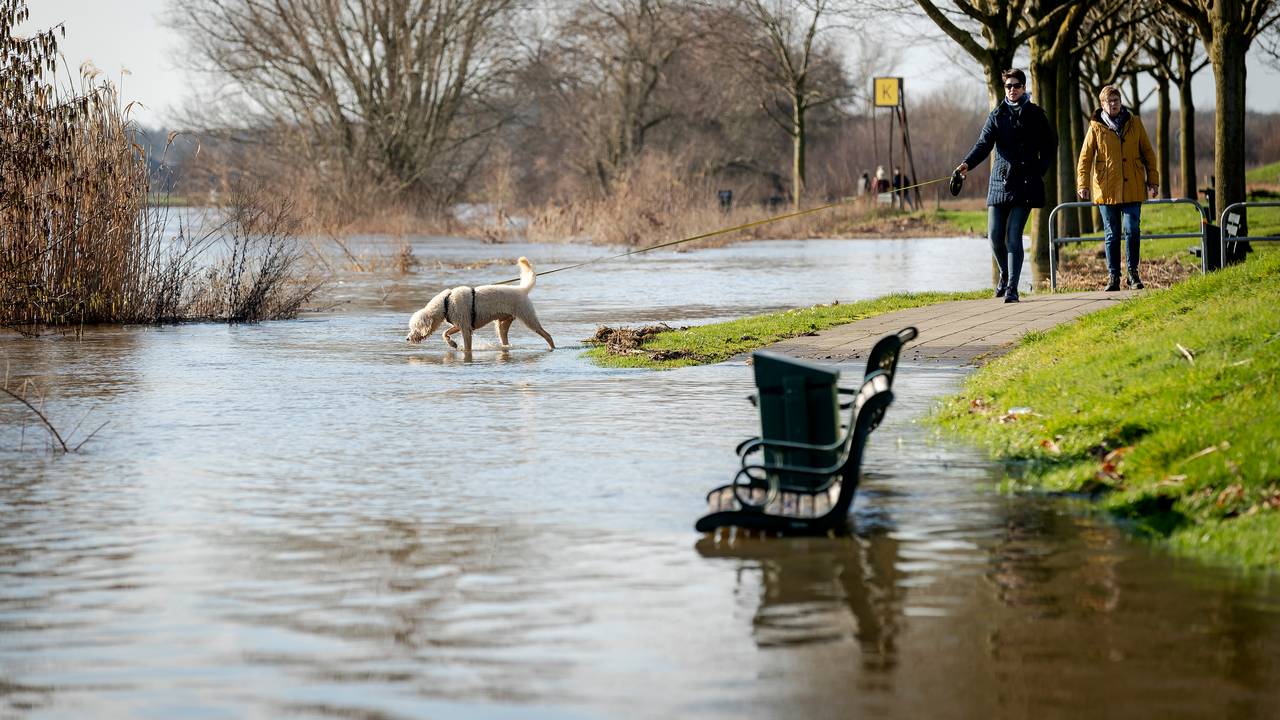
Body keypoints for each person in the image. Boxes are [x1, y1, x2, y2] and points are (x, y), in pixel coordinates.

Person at [954, 69, 1057, 303]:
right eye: (1008, 86)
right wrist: (966, 164)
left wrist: (1039, 170)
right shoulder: (997, 115)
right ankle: (1004, 273)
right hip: (1000, 182)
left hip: (1026, 183)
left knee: (1013, 237)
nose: (1012, 89)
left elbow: (1050, 146)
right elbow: (983, 144)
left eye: (1017, 85)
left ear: (1024, 87)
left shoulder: (1036, 115)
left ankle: (1012, 288)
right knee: (994, 236)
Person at [1076, 85, 1159, 290]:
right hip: (1107, 188)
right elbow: (1085, 158)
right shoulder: (1095, 127)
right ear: (1102, 105)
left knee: (1132, 229)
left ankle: (1133, 274)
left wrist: (1153, 181)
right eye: (1108, 102)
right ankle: (1113, 276)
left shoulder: (1135, 123)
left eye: (1116, 100)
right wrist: (1082, 184)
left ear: (1120, 102)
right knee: (1112, 234)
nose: (1113, 104)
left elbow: (1148, 153)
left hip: (1132, 186)